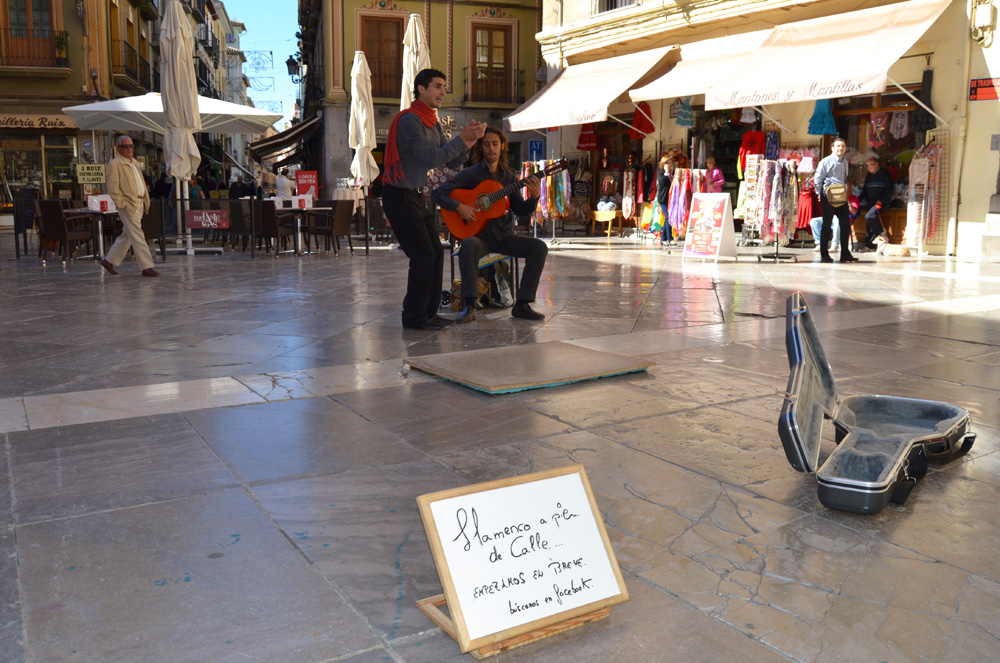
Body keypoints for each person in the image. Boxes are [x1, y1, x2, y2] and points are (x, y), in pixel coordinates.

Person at [381, 68, 485, 331]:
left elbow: (449, 161)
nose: (443, 91)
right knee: (423, 255)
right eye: (438, 86)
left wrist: (469, 143)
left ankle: (428, 313)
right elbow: (428, 158)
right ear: (421, 89)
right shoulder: (410, 121)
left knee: (436, 252)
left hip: (418, 195)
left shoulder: (432, 121)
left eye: (444, 86)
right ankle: (413, 317)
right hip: (399, 195)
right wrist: (462, 139)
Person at [431, 127, 546, 323]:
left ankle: (522, 305)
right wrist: (459, 206)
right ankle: (469, 305)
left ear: (502, 147)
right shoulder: (470, 174)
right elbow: (438, 193)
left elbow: (520, 210)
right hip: (479, 237)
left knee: (539, 247)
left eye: (495, 144)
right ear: (481, 148)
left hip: (504, 237)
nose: (491, 148)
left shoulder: (509, 178)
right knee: (468, 245)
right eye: (486, 144)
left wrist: (534, 198)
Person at [99, 135, 158, 277]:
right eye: (126, 146)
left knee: (128, 234)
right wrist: (122, 203)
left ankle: (109, 261)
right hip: (128, 204)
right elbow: (113, 188)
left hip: (139, 202)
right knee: (137, 234)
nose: (129, 149)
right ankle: (146, 266)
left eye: (131, 146)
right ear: (118, 148)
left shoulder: (134, 163)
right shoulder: (115, 164)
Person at [813, 137, 857, 263]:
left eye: (842, 146)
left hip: (841, 196)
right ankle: (824, 254)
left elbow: (844, 179)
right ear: (832, 148)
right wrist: (819, 193)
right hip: (828, 195)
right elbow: (818, 179)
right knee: (826, 225)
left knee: (845, 223)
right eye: (838, 146)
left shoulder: (845, 162)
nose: (840, 148)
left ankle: (845, 253)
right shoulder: (825, 162)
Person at [857, 157, 894, 251]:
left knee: (870, 216)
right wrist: (858, 200)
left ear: (876, 164)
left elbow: (890, 189)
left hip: (880, 202)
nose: (868, 168)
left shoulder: (884, 173)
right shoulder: (869, 176)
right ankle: (870, 245)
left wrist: (882, 200)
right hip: (870, 202)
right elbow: (865, 190)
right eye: (867, 166)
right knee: (869, 224)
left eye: (870, 165)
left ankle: (881, 234)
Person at [656, 155, 675, 246]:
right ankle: (670, 238)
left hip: (671, 199)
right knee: (668, 217)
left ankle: (663, 239)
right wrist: (667, 172)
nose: (669, 165)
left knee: (667, 219)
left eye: (670, 163)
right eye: (667, 163)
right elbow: (663, 181)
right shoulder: (661, 173)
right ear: (663, 164)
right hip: (663, 199)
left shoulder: (674, 173)